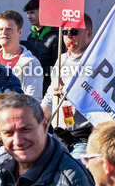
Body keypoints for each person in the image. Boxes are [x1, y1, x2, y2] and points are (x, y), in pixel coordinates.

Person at [40, 14, 95, 158]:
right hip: (60, 135)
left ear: (88, 34)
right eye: (65, 32)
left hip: (85, 136)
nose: (68, 35)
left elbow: (101, 101)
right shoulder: (62, 59)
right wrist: (38, 124)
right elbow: (50, 99)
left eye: (74, 32)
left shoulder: (97, 61)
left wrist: (71, 94)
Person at [22, 0, 62, 92]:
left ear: (43, 12)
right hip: (32, 86)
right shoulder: (30, 37)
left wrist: (37, 70)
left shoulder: (56, 37)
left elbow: (59, 68)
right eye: (27, 13)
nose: (28, 16)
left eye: (32, 12)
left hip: (48, 88)